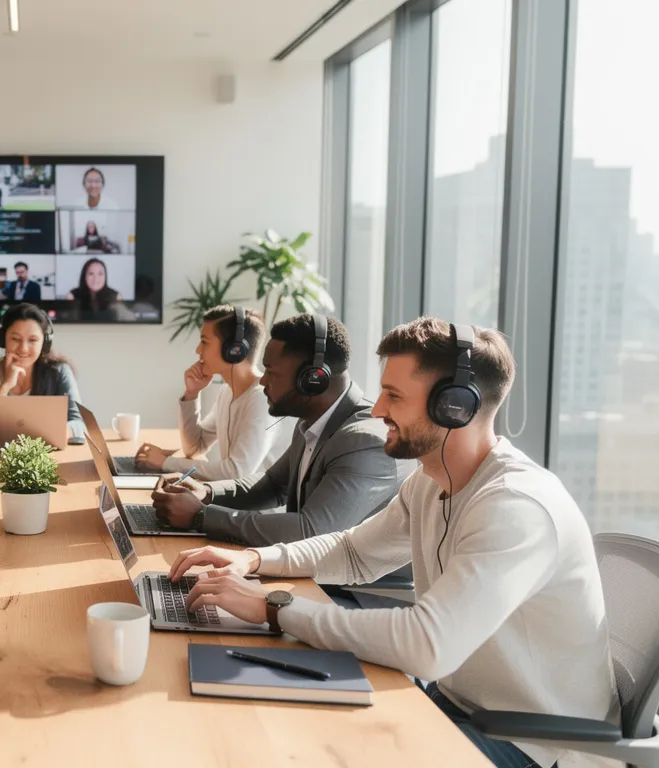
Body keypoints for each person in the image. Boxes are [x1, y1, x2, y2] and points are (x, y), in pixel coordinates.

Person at [168, 318, 617, 768]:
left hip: (533, 745)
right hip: (459, 706)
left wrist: (275, 608)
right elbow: (351, 552)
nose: (377, 408)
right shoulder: (431, 482)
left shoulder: (515, 508)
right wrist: (251, 560)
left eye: (395, 396)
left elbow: (427, 643)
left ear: (454, 407)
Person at [151, 314, 406, 547]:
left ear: (313, 379)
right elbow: (272, 486)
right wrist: (206, 493)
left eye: (271, 372)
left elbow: (310, 531)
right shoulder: (312, 419)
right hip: (311, 576)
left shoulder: (365, 441)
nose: (262, 380)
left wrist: (200, 516)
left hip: (351, 594)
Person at [134, 306, 290, 481]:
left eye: (205, 342)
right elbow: (195, 448)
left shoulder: (262, 398)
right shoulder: (227, 392)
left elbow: (237, 472)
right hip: (231, 504)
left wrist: (166, 463)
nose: (198, 350)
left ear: (234, 349)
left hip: (253, 508)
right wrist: (191, 394)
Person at [0, 303, 83, 440]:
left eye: (32, 340)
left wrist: (54, 432)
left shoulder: (59, 372)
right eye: (15, 339)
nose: (23, 349)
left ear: (44, 343)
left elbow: (79, 424)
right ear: (2, 339)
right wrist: (5, 385)